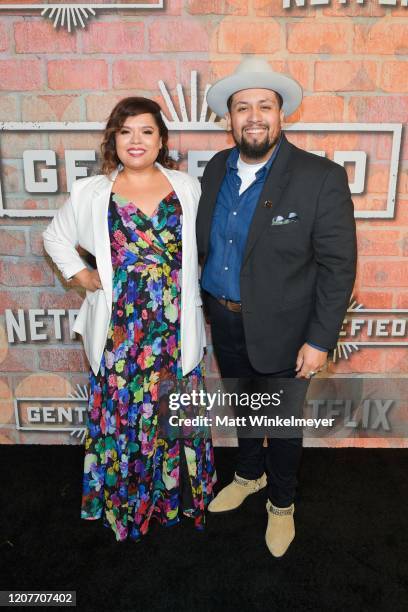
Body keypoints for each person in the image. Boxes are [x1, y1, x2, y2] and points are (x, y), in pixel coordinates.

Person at [196, 57, 357, 557]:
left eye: (264, 105)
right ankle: (248, 474)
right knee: (245, 403)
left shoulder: (320, 177)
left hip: (288, 330)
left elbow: (337, 266)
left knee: (283, 424)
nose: (253, 116)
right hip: (223, 317)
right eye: (242, 107)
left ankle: (282, 504)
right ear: (230, 118)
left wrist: (319, 339)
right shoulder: (217, 167)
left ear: (281, 114)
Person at [43, 97, 216, 542]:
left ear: (161, 140)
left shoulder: (188, 187)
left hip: (176, 323)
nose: (135, 140)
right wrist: (82, 275)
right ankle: (127, 501)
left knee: (175, 410)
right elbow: (55, 237)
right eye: (125, 132)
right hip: (121, 327)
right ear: (113, 140)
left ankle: (177, 500)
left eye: (146, 131)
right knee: (124, 413)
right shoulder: (92, 190)